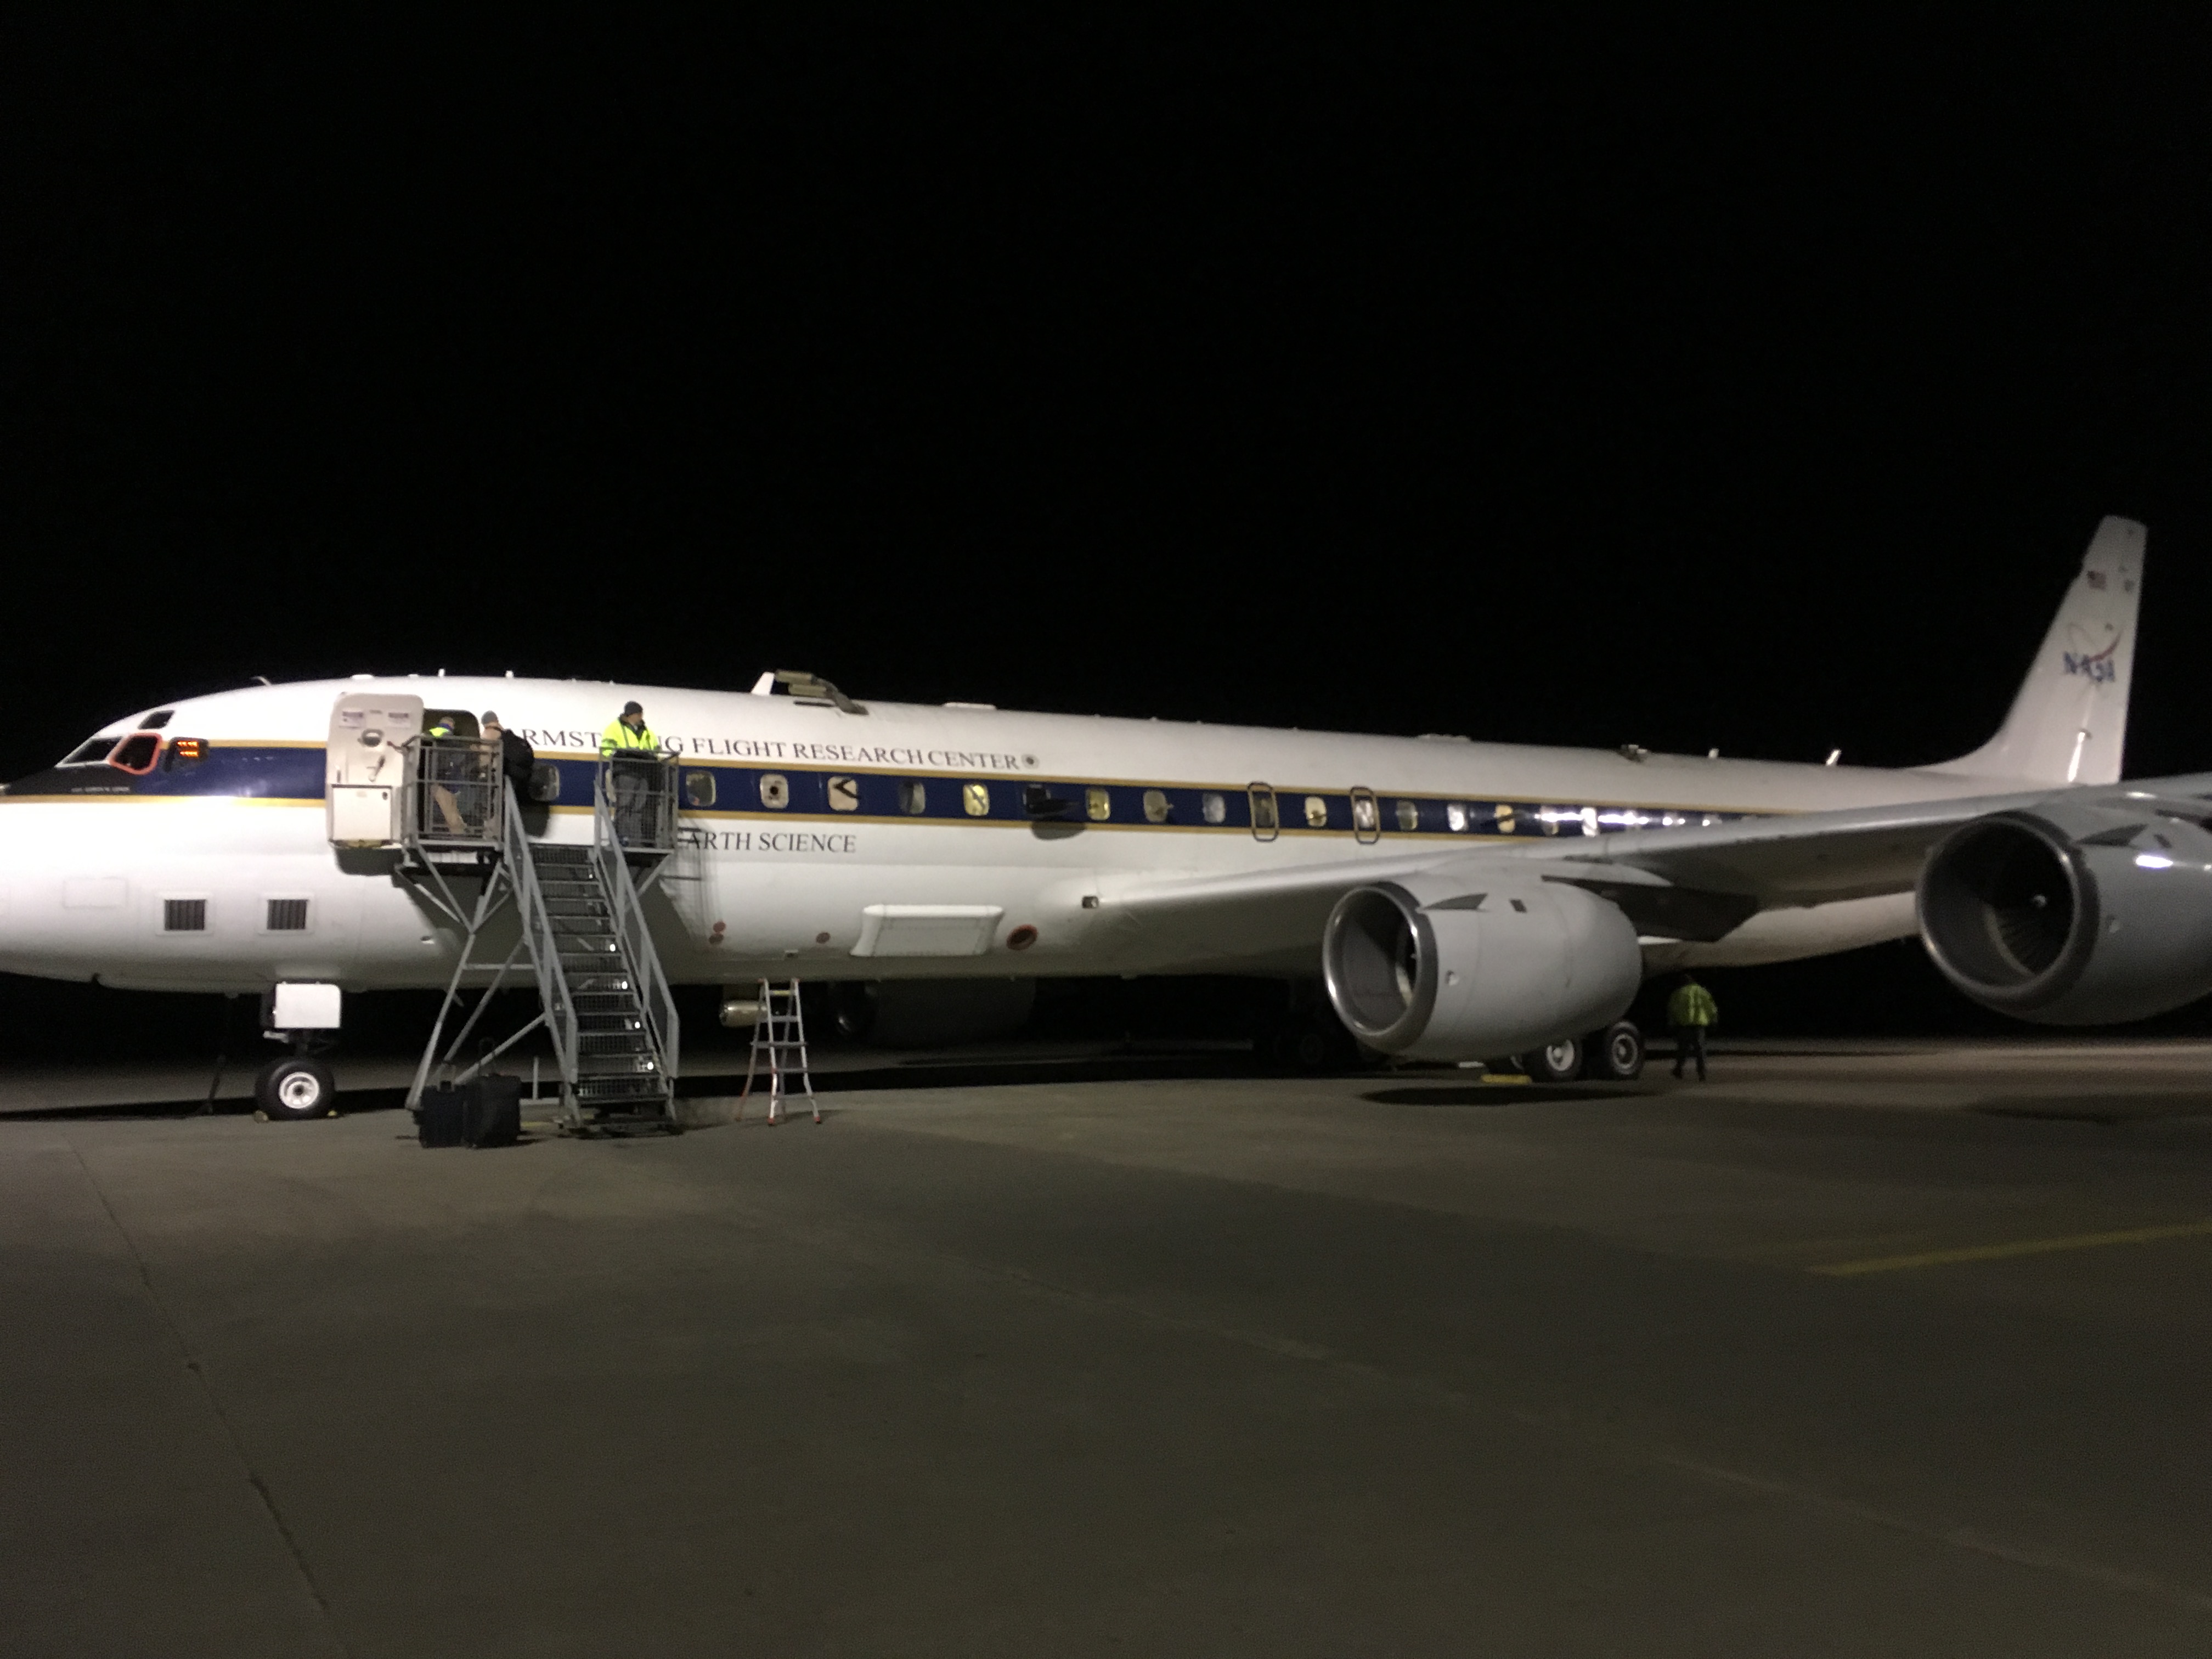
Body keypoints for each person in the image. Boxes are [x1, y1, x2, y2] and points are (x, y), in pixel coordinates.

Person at [600, 700, 660, 843]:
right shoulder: (615, 728)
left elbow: (656, 750)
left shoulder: (647, 732)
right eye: (638, 714)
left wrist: (649, 756)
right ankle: (621, 837)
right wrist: (620, 756)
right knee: (625, 805)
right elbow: (606, 748)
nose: (641, 717)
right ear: (630, 715)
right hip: (625, 771)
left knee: (639, 806)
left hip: (642, 772)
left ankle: (634, 838)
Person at [1667, 973, 1718, 1081]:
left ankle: (1679, 1069)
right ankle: (1702, 1073)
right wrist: (1714, 1020)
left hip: (1683, 1026)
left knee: (1682, 1050)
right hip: (1699, 1025)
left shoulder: (1678, 993)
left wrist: (1672, 1024)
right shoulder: (1702, 992)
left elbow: (1672, 1010)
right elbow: (1711, 1007)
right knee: (1700, 1050)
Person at [481, 711, 536, 799]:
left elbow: (483, 762)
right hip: (521, 785)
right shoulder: (512, 737)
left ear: (484, 724)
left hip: (505, 785)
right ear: (497, 720)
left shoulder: (489, 734)